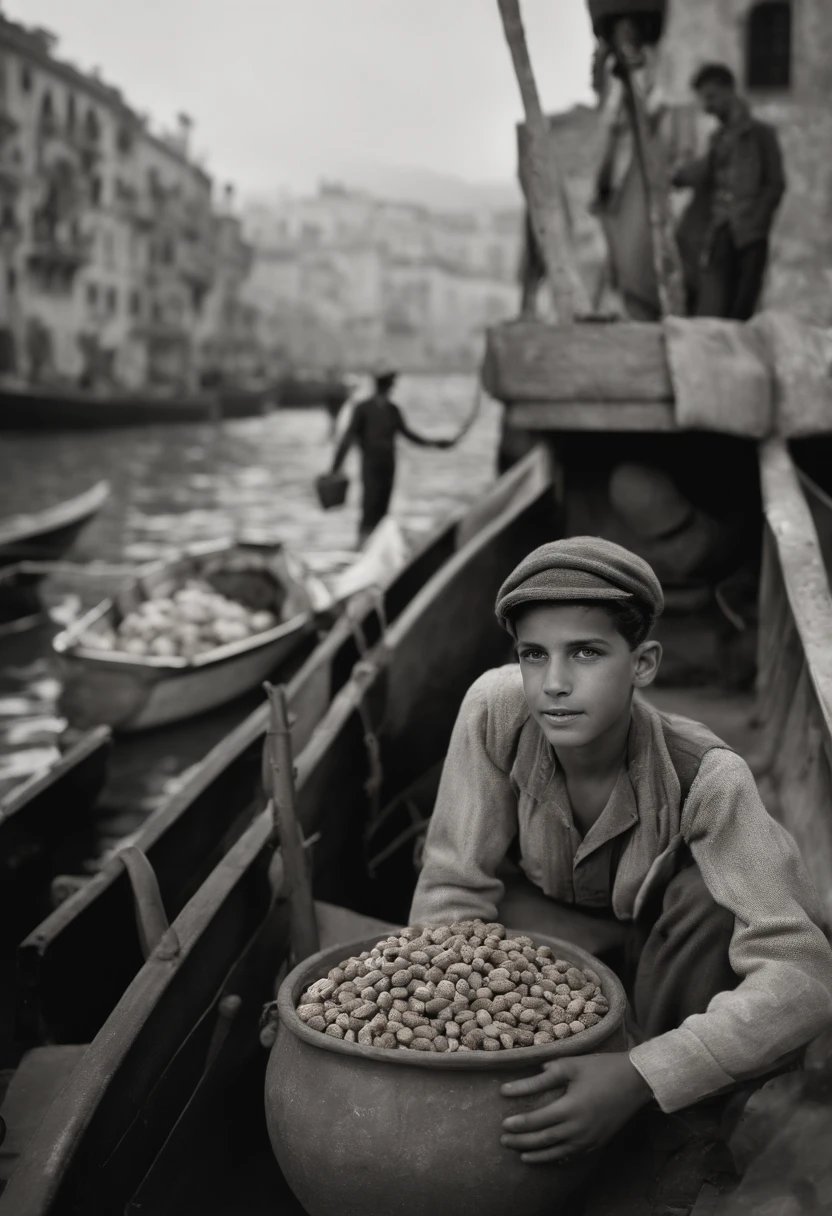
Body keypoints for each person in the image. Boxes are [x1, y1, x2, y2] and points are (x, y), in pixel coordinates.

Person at [410, 537, 832, 1170]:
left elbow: (803, 977)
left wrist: (641, 1074)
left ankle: (666, 1125)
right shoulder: (497, 711)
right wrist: (453, 1033)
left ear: (643, 664)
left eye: (586, 652)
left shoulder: (709, 777)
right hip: (531, 946)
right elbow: (451, 891)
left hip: (656, 956)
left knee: (710, 905)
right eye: (534, 655)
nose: (553, 684)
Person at [671, 63, 786, 320]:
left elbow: (775, 184)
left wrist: (757, 221)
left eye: (711, 97)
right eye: (703, 99)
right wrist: (672, 176)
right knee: (714, 315)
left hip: (750, 238)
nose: (707, 106)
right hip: (721, 236)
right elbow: (702, 173)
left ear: (729, 91)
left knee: (741, 313)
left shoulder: (761, 135)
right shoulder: (717, 140)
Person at [329, 363, 452, 547]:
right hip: (371, 465)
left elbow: (409, 434)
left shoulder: (391, 410)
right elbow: (348, 438)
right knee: (370, 505)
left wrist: (436, 443)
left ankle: (375, 545)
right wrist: (335, 467)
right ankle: (363, 545)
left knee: (381, 508)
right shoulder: (364, 409)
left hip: (387, 465)